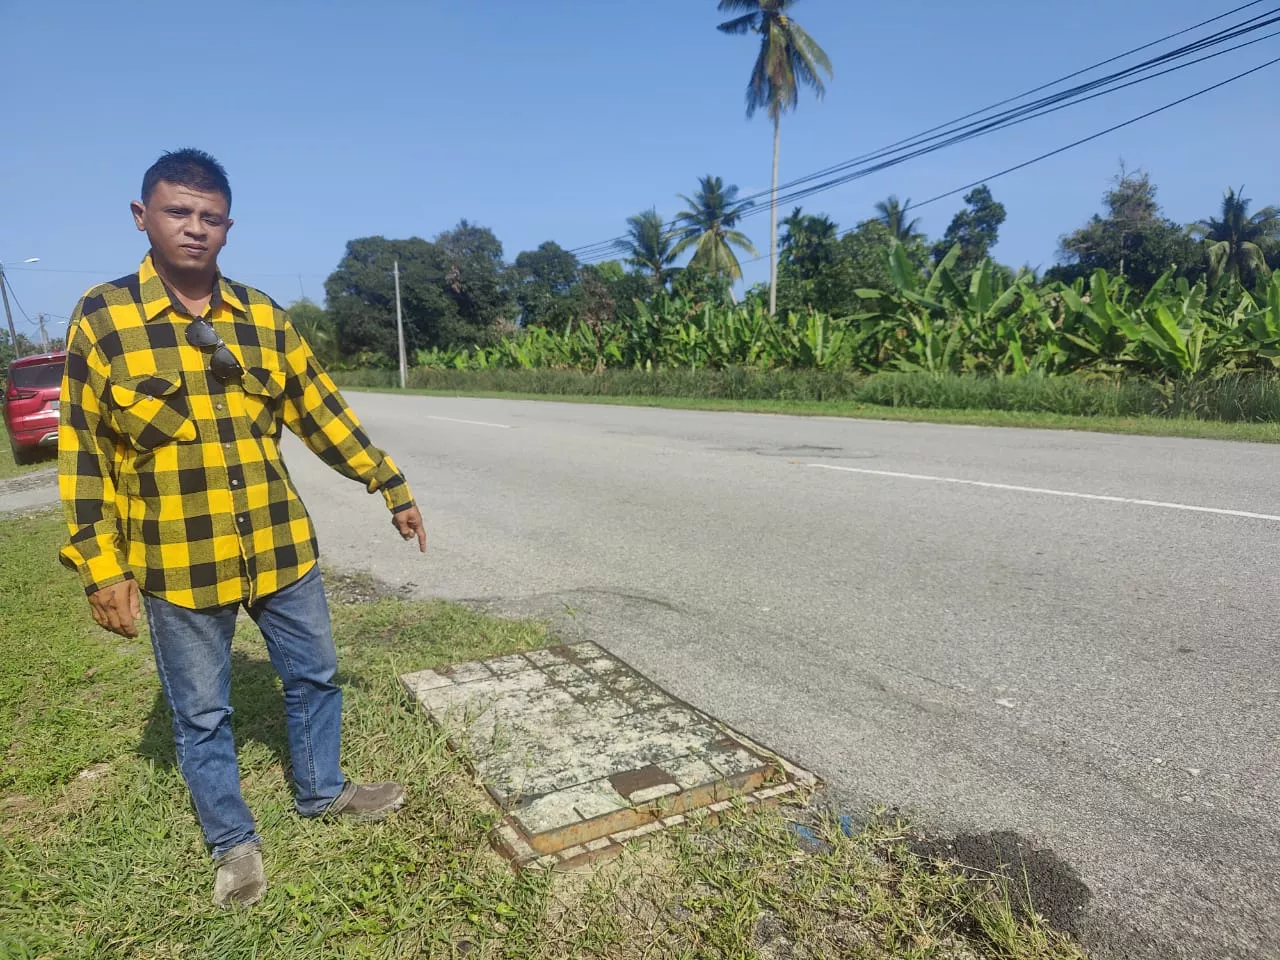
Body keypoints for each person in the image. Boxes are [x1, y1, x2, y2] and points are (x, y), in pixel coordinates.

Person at [57, 148, 427, 909]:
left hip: (279, 544)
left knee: (315, 673)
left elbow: (321, 411)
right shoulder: (105, 318)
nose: (195, 229)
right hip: (177, 563)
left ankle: (322, 791)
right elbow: (83, 452)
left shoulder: (263, 317)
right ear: (143, 218)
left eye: (210, 217)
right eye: (177, 212)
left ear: (228, 226)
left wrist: (388, 482)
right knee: (201, 714)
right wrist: (101, 566)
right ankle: (233, 843)